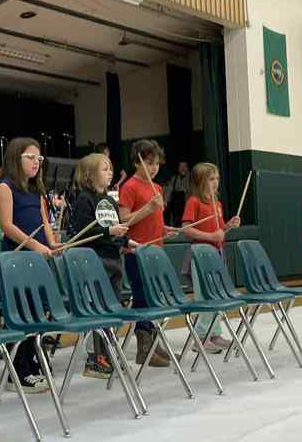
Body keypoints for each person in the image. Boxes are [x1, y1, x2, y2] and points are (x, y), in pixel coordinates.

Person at [0, 137, 60, 393]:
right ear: (15, 159)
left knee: (37, 313)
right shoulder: (5, 186)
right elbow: (7, 226)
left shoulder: (36, 188)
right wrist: (36, 246)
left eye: (38, 158)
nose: (36, 163)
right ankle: (17, 372)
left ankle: (30, 361)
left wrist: (53, 242)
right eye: (30, 158)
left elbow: (44, 222)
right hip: (18, 259)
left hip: (38, 258)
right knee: (22, 315)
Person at [118, 140, 179, 367]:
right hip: (136, 252)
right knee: (143, 298)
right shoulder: (129, 187)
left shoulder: (158, 188)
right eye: (150, 163)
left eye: (157, 164)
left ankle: (153, 342)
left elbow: (154, 220)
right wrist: (148, 209)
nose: (154, 168)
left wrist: (165, 229)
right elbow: (124, 221)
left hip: (156, 252)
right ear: (137, 162)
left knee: (154, 299)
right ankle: (144, 348)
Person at [72, 153, 131, 378]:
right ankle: (95, 358)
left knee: (111, 308)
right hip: (94, 261)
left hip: (114, 259)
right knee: (97, 310)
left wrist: (126, 241)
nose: (110, 173)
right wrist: (109, 231)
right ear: (89, 174)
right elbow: (82, 232)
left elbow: (114, 228)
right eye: (104, 169)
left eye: (110, 168)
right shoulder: (85, 199)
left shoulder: (110, 201)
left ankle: (108, 352)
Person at [180, 162, 241, 353]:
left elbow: (219, 230)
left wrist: (229, 225)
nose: (216, 183)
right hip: (200, 257)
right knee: (204, 295)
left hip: (216, 255)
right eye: (211, 179)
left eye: (217, 179)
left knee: (217, 295)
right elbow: (187, 229)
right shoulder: (193, 202)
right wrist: (211, 237)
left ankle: (214, 334)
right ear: (200, 182)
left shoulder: (218, 203)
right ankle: (199, 337)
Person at [164, 161, 191, 226]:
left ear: (187, 168)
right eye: (180, 166)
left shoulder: (191, 178)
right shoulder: (174, 178)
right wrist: (166, 201)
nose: (182, 168)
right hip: (176, 207)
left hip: (188, 205)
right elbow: (169, 191)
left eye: (184, 166)